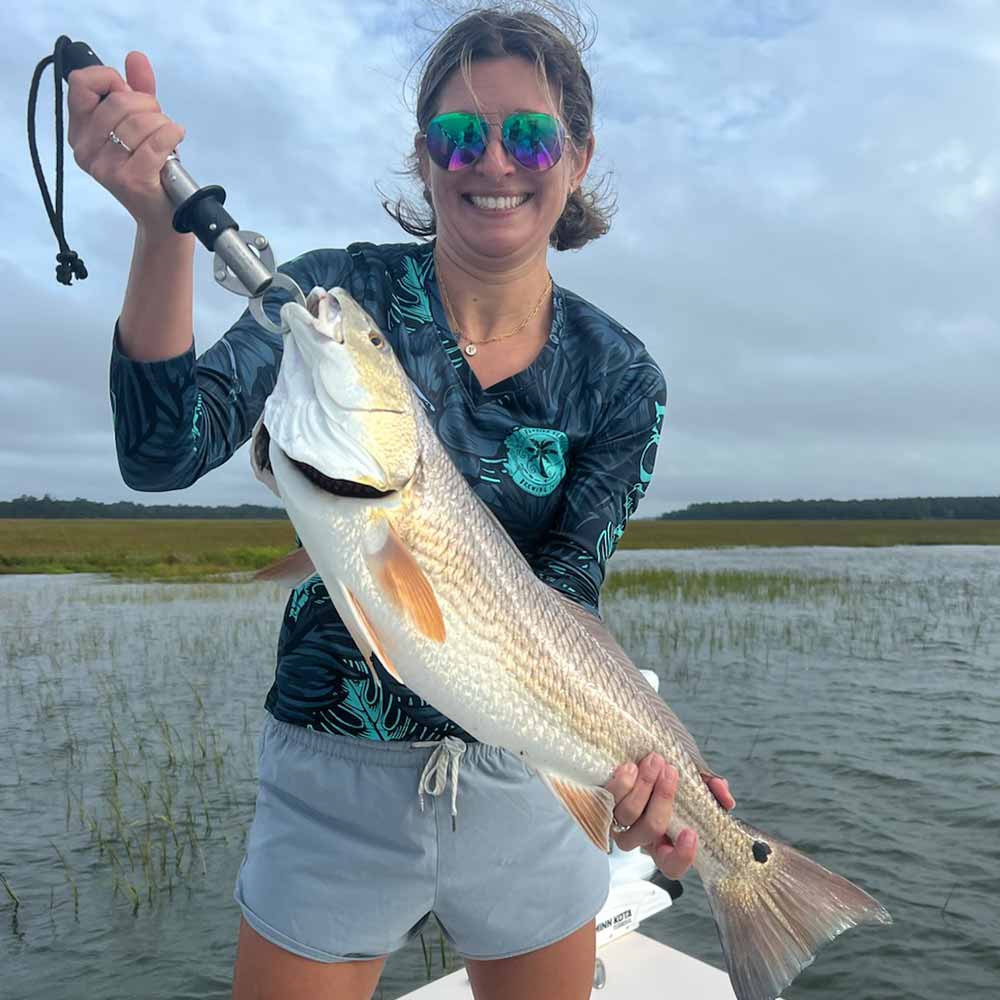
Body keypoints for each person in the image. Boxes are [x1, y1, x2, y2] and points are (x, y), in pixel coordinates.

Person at [67, 5, 734, 999]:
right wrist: (160, 231)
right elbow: (162, 451)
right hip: (329, 775)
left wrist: (643, 775)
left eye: (530, 135)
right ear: (424, 161)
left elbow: (562, 593)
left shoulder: (619, 376)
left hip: (525, 769)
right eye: (458, 135)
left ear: (578, 158)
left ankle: (745, 868)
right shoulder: (336, 297)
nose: (492, 161)